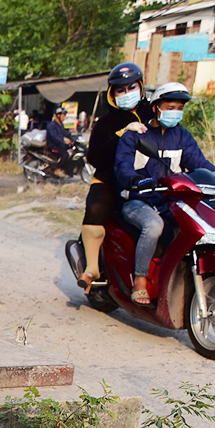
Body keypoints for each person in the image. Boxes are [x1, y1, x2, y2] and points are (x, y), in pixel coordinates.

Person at [114, 82, 215, 306]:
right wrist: (136, 180)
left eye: (179, 108)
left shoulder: (182, 137)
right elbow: (123, 167)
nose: (175, 112)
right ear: (155, 108)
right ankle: (140, 280)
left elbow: (200, 164)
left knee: (198, 226)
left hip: (172, 201)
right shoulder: (136, 135)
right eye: (170, 107)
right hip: (138, 200)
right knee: (154, 226)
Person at [78, 62, 153, 294]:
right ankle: (91, 269)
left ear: (140, 87)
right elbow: (95, 157)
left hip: (149, 178)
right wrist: (122, 134)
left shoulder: (154, 113)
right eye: (120, 90)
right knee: (96, 208)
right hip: (110, 181)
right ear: (112, 94)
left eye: (131, 87)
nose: (126, 93)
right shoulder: (105, 123)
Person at [46, 107, 75, 176]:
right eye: (63, 115)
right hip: (53, 145)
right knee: (65, 154)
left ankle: (66, 170)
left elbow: (66, 133)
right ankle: (57, 169)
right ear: (58, 115)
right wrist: (64, 141)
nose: (64, 117)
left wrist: (74, 138)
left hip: (59, 145)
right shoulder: (52, 125)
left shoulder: (61, 125)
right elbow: (54, 137)